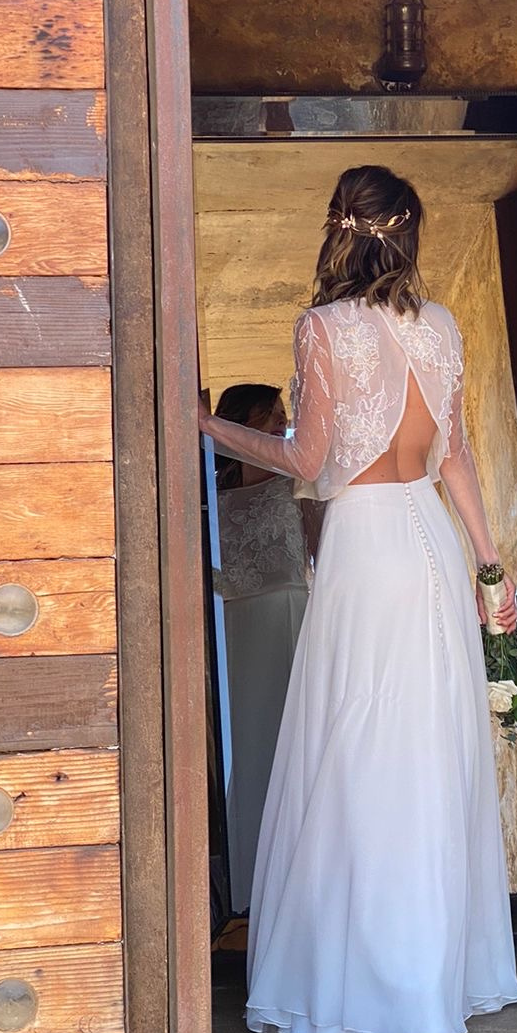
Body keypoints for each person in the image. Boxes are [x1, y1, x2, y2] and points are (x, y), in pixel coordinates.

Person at [198, 164, 517, 1033]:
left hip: (365, 546)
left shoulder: (322, 329)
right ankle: (435, 976)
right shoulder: (442, 325)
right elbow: (455, 456)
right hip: (432, 541)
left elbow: (306, 462)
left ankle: (375, 981)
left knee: (355, 748)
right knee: (430, 746)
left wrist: (209, 426)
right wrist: (491, 569)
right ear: (408, 235)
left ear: (336, 231)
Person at [211, 384, 313, 915]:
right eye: (269, 415)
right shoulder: (205, 492)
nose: (281, 424)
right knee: (247, 744)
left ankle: (301, 881)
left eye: (282, 415)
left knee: (291, 739)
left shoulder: (297, 481)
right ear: (239, 421)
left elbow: (323, 551)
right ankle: (249, 887)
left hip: (289, 619)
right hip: (234, 627)